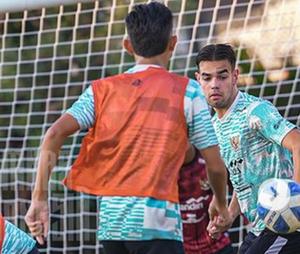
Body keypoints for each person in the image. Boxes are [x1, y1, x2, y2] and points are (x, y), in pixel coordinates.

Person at [24, 3, 230, 254]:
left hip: (113, 229)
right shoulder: (188, 90)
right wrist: (220, 202)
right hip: (159, 227)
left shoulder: (100, 90)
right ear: (173, 43)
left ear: (127, 46)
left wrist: (39, 198)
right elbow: (215, 165)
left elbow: (54, 134)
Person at [195, 43, 300, 254]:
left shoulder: (255, 112)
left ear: (235, 76)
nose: (214, 84)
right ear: (199, 79)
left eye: (222, 76)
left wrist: (296, 201)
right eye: (207, 78)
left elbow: (298, 143)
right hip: (260, 227)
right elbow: (242, 177)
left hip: (286, 224)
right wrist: (230, 214)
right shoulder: (215, 126)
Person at [179, 145, 234, 254]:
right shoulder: (163, 168)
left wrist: (229, 213)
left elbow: (239, 185)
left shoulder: (211, 162)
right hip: (180, 248)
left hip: (217, 244)